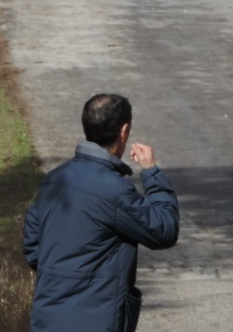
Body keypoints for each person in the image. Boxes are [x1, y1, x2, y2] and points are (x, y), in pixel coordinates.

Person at [23, 93, 179, 332]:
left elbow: (33, 247)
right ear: (124, 131)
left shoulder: (53, 181)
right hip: (97, 322)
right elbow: (164, 229)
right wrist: (151, 173)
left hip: (47, 320)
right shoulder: (114, 191)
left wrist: (62, 275)